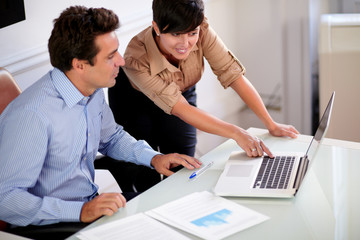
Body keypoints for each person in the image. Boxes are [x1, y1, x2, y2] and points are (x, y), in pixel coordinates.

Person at [0, 6, 201, 239]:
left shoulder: (90, 91)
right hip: (49, 224)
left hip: (89, 205)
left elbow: (112, 138)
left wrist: (154, 158)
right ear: (80, 65)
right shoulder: (32, 116)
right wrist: (81, 211)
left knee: (174, 213)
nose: (121, 60)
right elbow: (5, 199)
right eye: (110, 56)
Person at [108, 0, 299, 191]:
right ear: (156, 28)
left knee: (183, 166)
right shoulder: (136, 58)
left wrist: (270, 124)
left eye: (192, 33)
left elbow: (234, 76)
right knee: (145, 176)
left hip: (181, 91)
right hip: (135, 101)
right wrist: (237, 133)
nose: (185, 43)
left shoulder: (202, 29)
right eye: (176, 34)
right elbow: (180, 109)